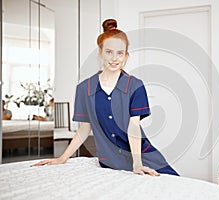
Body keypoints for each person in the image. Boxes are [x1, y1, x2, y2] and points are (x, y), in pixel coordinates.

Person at [33, 19, 179, 176]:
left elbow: (134, 126)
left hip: (143, 157)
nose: (114, 58)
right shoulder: (84, 88)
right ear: (100, 53)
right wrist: (62, 158)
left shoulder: (135, 85)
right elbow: (84, 129)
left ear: (126, 56)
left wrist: (137, 164)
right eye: (109, 52)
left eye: (120, 53)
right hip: (110, 161)